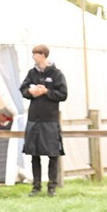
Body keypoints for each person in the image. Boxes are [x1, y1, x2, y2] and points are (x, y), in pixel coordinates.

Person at [19, 44, 67, 196]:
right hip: (34, 119)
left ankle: (52, 186)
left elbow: (63, 94)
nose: (33, 57)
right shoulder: (32, 73)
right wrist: (31, 92)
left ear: (43, 55)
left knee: (53, 154)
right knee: (34, 153)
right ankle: (36, 186)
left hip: (50, 120)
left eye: (36, 54)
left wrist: (46, 92)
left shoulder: (56, 74)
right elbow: (23, 89)